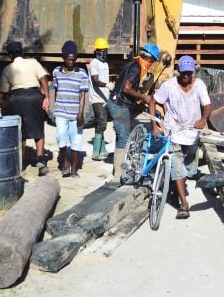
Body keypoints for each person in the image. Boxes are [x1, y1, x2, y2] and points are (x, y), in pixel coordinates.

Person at [149, 55, 211, 220]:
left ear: (193, 72)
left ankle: (178, 187)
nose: (185, 76)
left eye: (188, 73)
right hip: (173, 131)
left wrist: (203, 119)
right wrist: (154, 125)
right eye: (182, 73)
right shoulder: (169, 86)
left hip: (192, 132)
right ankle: (184, 204)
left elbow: (207, 105)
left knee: (189, 168)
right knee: (177, 167)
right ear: (178, 71)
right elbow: (152, 101)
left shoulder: (199, 85)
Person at [108, 43, 160, 177]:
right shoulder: (136, 68)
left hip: (118, 103)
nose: (151, 64)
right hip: (119, 106)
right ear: (148, 58)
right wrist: (143, 97)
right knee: (124, 138)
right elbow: (126, 88)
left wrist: (138, 103)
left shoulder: (133, 65)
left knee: (122, 135)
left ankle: (120, 168)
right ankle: (118, 174)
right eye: (152, 61)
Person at [0, 41, 51, 176]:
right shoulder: (33, 62)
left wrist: (8, 99)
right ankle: (41, 160)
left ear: (10, 55)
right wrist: (46, 97)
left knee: (20, 130)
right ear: (22, 52)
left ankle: (20, 163)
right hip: (34, 96)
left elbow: (4, 92)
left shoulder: (7, 69)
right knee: (38, 128)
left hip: (16, 98)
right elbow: (43, 79)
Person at [52, 40, 90, 178]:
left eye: (73, 60)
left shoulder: (82, 74)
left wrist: (80, 114)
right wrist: (54, 108)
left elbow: (82, 95)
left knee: (76, 140)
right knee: (61, 138)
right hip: (61, 111)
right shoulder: (56, 72)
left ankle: (74, 169)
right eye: (68, 59)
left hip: (75, 113)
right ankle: (64, 163)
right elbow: (56, 90)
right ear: (63, 58)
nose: (71, 62)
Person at [88, 37, 113, 161]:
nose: (104, 52)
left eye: (105, 50)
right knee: (101, 122)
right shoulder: (94, 64)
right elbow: (95, 80)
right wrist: (107, 85)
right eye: (102, 50)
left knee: (102, 123)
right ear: (97, 51)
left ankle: (102, 150)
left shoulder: (105, 63)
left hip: (105, 97)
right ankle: (95, 152)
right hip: (97, 97)